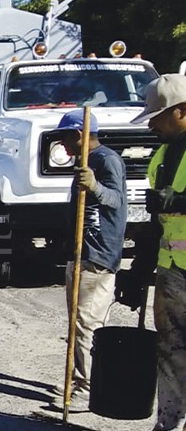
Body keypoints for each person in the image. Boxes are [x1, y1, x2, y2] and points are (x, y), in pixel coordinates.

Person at [49, 109, 127, 411]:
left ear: (78, 135)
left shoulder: (105, 160)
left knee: (87, 325)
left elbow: (117, 201)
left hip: (98, 254)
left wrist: (94, 185)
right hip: (80, 253)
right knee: (76, 323)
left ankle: (86, 389)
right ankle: (76, 379)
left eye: (65, 138)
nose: (63, 145)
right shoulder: (85, 161)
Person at [122, 73, 186, 431]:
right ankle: (168, 423)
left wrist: (179, 201)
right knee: (170, 352)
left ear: (181, 112)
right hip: (172, 272)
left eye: (157, 116)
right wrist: (137, 271)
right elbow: (155, 224)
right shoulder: (161, 157)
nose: (150, 123)